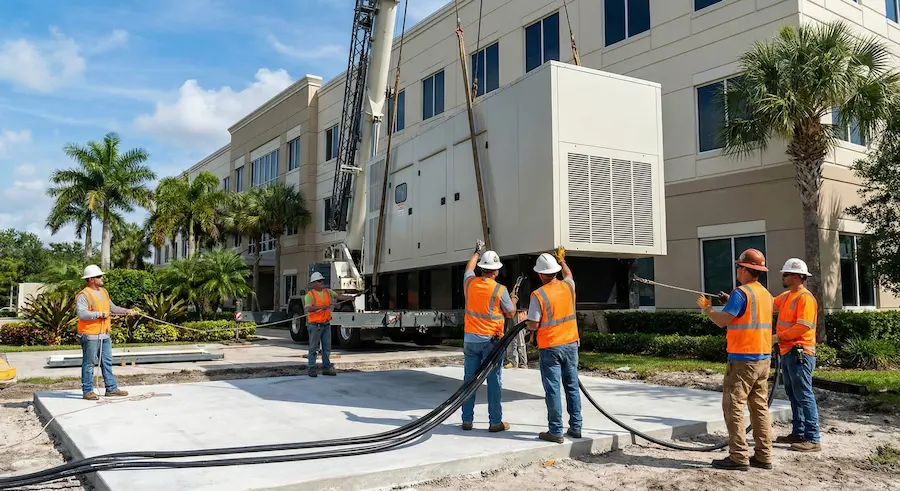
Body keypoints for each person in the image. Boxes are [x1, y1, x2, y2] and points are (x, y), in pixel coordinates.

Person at [697, 248, 774, 471]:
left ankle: (739, 456)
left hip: (742, 360)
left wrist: (708, 308)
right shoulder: (764, 294)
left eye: (739, 267)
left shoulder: (742, 293)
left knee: (734, 406)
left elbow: (723, 321)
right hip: (763, 358)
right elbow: (749, 313)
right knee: (759, 408)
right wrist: (730, 300)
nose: (737, 271)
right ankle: (764, 455)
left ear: (745, 269)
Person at [461, 240, 517, 432]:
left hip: (470, 340)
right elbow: (510, 312)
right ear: (496, 271)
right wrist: (514, 299)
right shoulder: (500, 290)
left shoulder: (469, 283)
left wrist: (476, 252)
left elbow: (468, 269)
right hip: (491, 342)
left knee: (469, 381)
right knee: (494, 382)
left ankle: (467, 420)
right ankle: (495, 422)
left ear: (481, 268)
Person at [526, 250, 581, 444]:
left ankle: (556, 431)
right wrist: (563, 260)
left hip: (550, 347)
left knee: (553, 389)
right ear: (556, 271)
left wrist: (529, 327)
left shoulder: (538, 295)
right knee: (572, 386)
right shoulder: (568, 287)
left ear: (540, 274)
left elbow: (533, 323)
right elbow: (569, 275)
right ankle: (576, 427)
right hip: (571, 344)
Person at [773, 258, 821, 452]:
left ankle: (813, 437)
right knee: (793, 393)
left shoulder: (805, 298)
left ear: (795, 276)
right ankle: (799, 433)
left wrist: (778, 337)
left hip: (800, 352)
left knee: (803, 394)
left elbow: (802, 326)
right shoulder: (786, 296)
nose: (782, 277)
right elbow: (765, 304)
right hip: (788, 351)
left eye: (785, 274)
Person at [75, 265, 138, 401]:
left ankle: (111, 388)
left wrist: (126, 311)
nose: (102, 278)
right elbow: (82, 313)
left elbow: (112, 308)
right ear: (91, 279)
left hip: (104, 333)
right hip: (90, 334)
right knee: (89, 363)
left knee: (107, 362)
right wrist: (100, 314)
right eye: (99, 276)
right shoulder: (84, 295)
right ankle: (87, 391)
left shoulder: (103, 292)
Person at [304, 271, 356, 377]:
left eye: (322, 280)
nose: (322, 282)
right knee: (313, 348)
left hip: (326, 324)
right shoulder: (310, 295)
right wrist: (321, 307)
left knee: (327, 348)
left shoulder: (328, 292)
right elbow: (308, 308)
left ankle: (326, 368)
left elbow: (338, 296)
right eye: (319, 281)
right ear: (314, 283)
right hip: (315, 325)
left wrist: (349, 297)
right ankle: (312, 369)